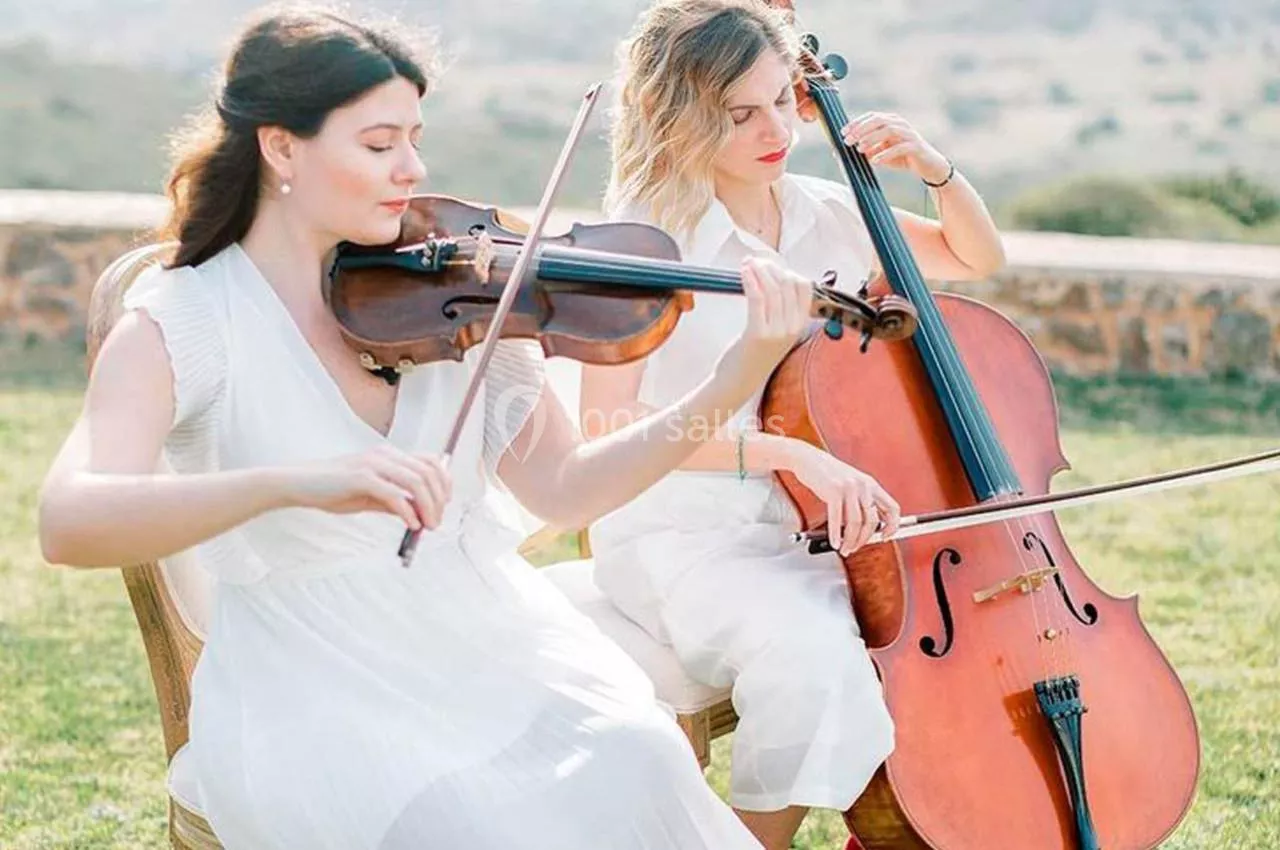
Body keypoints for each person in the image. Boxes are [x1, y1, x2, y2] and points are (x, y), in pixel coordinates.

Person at [35, 5, 822, 848]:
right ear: (282, 148)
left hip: (489, 642)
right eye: (380, 145)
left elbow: (569, 487)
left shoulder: (457, 288)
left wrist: (735, 374)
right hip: (311, 682)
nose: (413, 170)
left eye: (415, 138)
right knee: (470, 821)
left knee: (640, 760)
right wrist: (295, 485)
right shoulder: (186, 317)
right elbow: (70, 521)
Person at [581, 1, 1007, 847]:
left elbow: (976, 257)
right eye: (740, 113)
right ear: (680, 113)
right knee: (816, 660)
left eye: (782, 100)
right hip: (683, 535)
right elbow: (607, 425)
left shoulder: (828, 212)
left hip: (813, 531)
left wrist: (936, 171)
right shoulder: (641, 243)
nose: (775, 129)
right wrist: (784, 454)